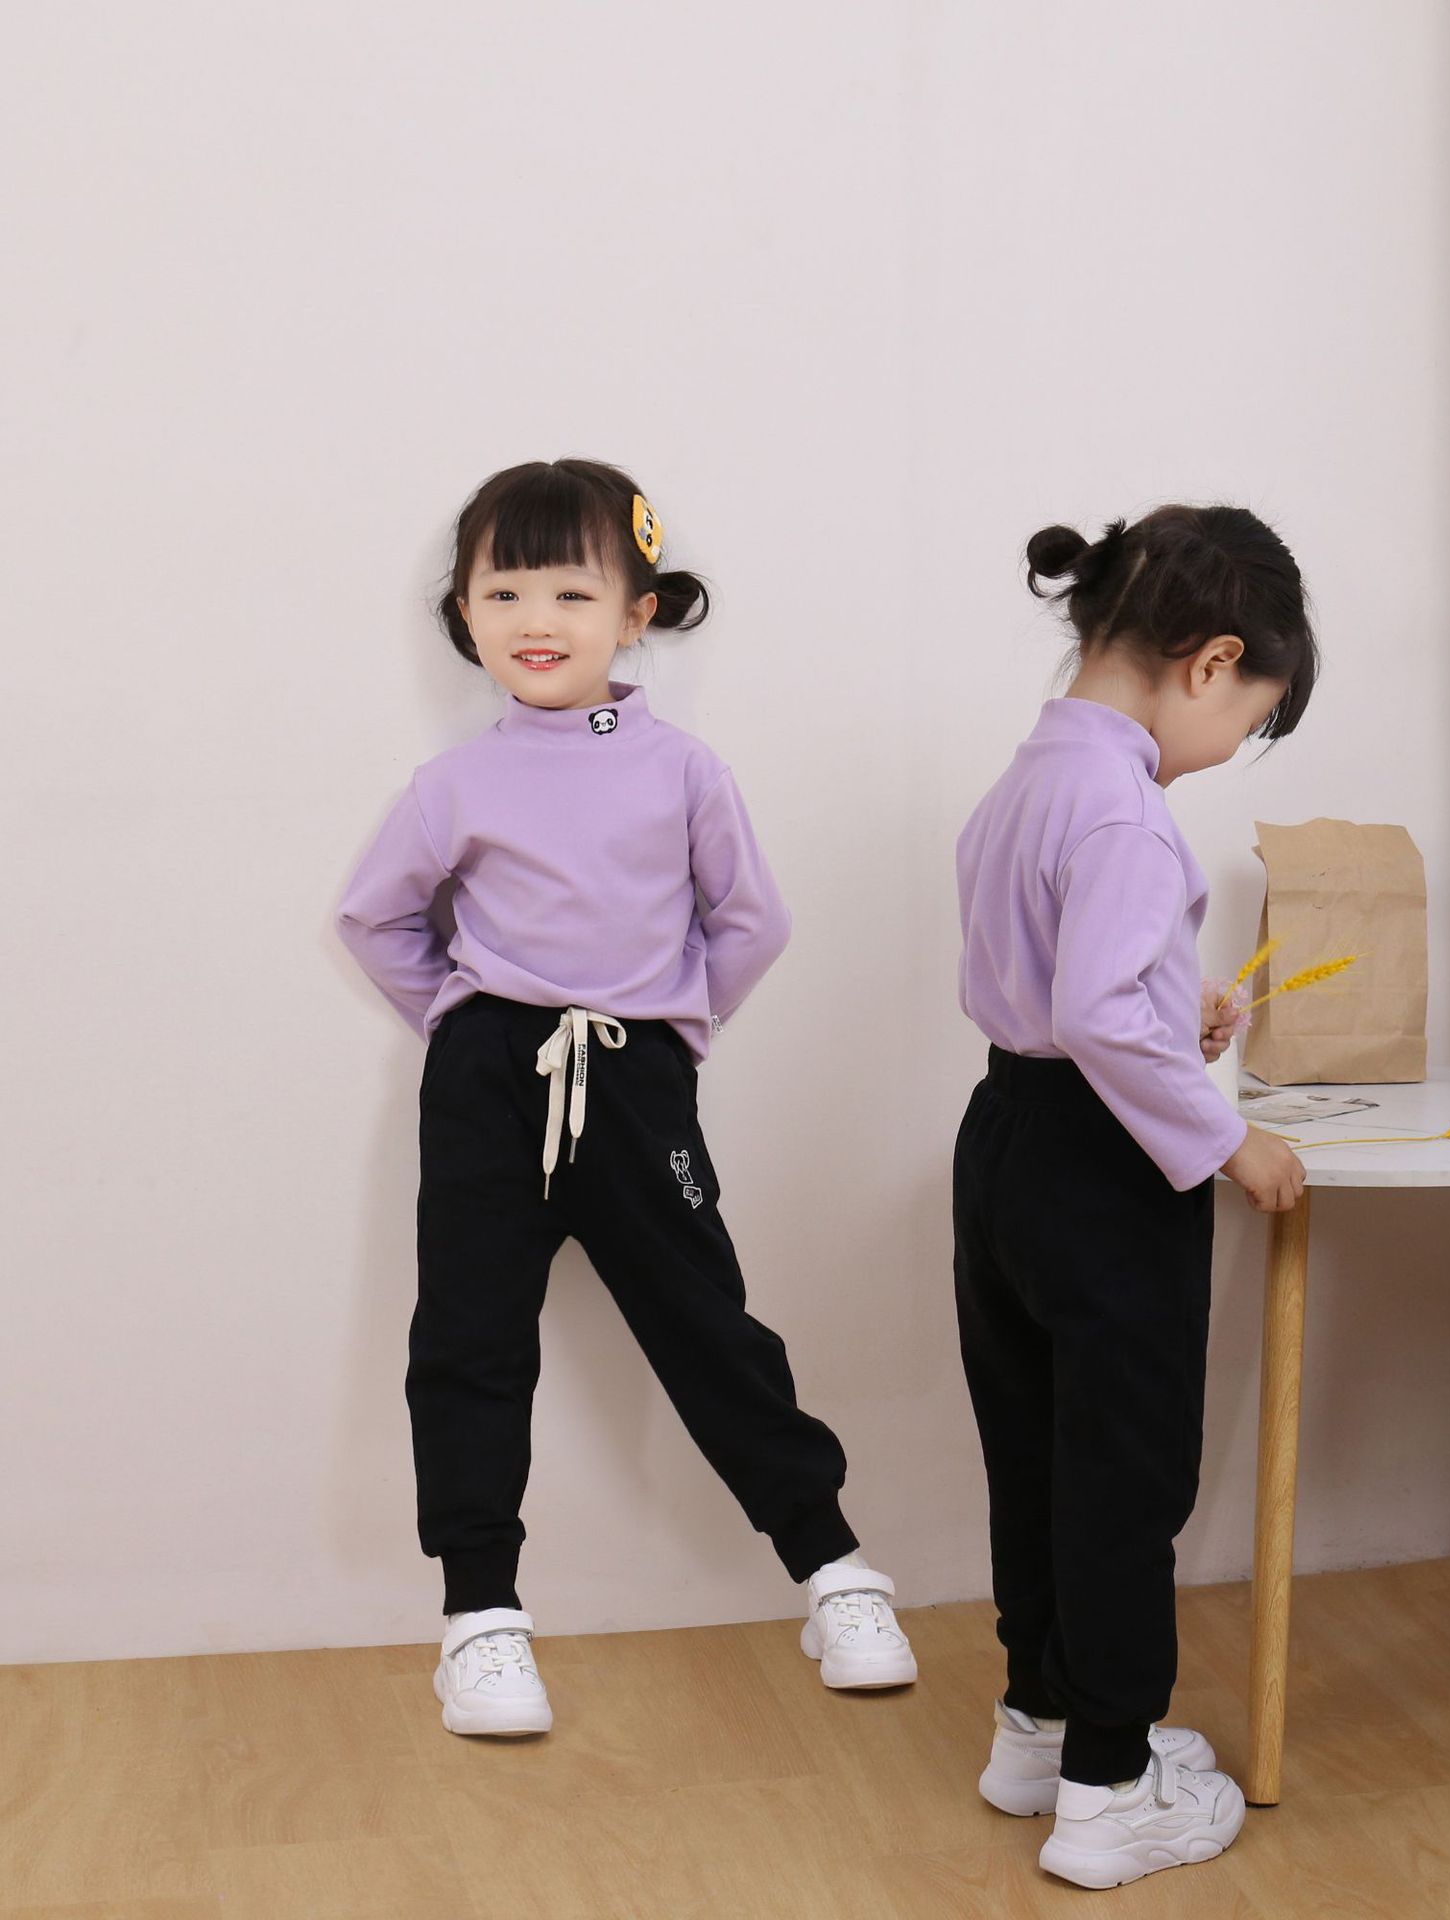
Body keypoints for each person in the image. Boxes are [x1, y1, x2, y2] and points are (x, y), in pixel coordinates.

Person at [337, 457, 915, 1737]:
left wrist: (672, 1033)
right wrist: (459, 1022)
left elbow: (751, 923)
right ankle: (481, 1618)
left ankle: (833, 1571)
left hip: (635, 1076)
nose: (534, 620)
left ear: (635, 612)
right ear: (465, 613)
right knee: (470, 1338)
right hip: (488, 1082)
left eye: (570, 591)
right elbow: (375, 917)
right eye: (502, 593)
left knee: (706, 1323)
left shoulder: (682, 770)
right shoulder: (457, 784)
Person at [953, 506, 1316, 1887]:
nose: (1232, 747)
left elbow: (1061, 985)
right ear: (1212, 662)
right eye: (1251, 720)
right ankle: (1111, 1788)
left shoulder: (1030, 778)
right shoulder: (1127, 812)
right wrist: (1230, 1141)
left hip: (1006, 1139)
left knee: (1038, 1451)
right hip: (1102, 1172)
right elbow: (1101, 1014)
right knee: (1125, 1471)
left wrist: (1179, 1007)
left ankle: (1039, 1726)